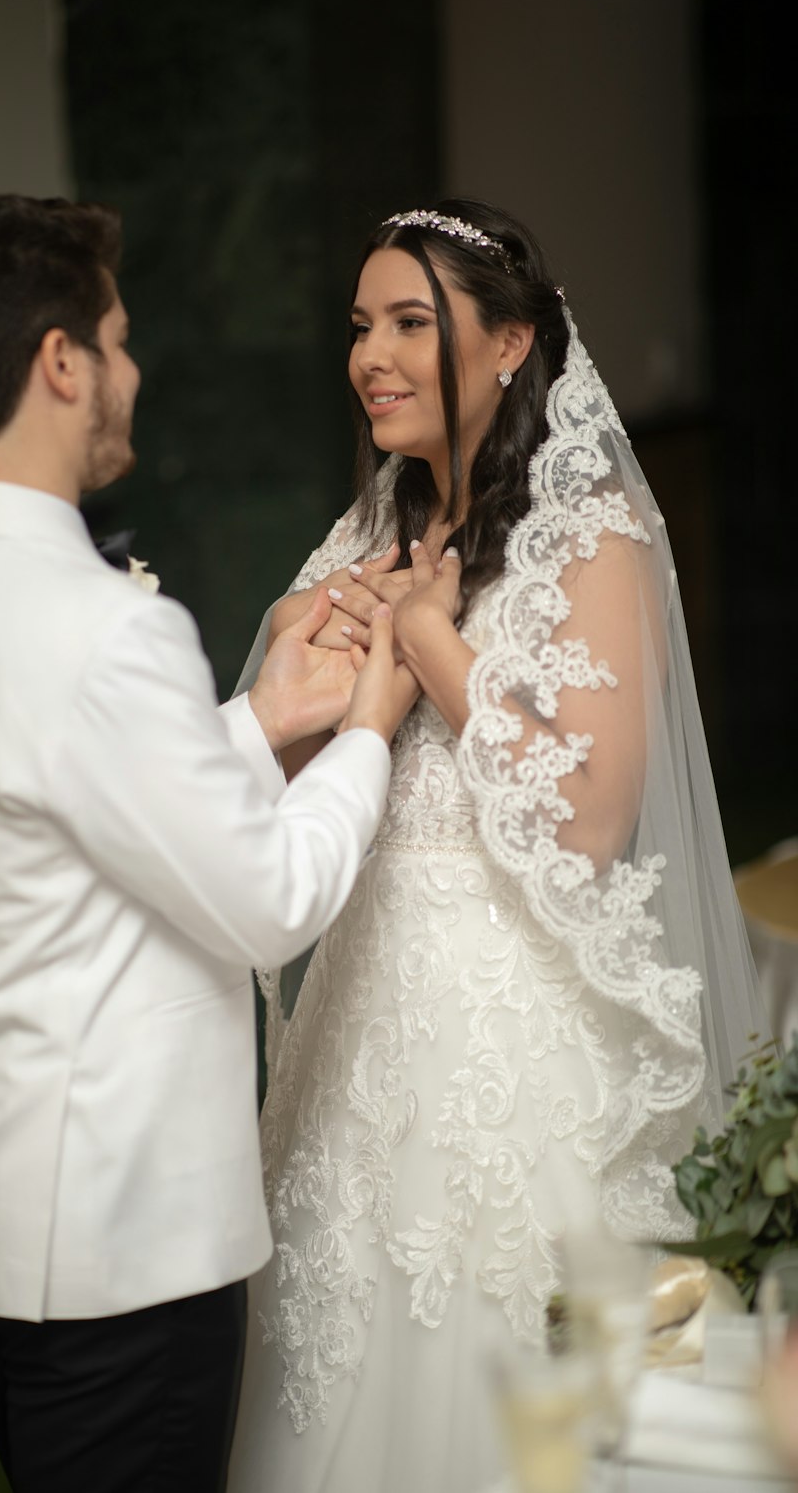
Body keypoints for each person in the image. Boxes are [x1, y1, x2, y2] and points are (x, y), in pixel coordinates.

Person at [0, 194, 419, 1493]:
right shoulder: (103, 629)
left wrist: (262, 715)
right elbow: (272, 901)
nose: (133, 370)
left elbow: (54, 801)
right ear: (61, 365)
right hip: (116, 1251)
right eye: (117, 338)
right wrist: (372, 729)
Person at [226, 200, 769, 1493]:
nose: (372, 355)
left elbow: (588, 820)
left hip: (547, 1063)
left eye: (412, 323)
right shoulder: (364, 534)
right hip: (364, 1051)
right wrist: (304, 661)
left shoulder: (597, 546)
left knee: (594, 1441)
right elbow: (288, 784)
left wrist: (432, 643)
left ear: (513, 342)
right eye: (360, 326)